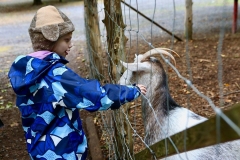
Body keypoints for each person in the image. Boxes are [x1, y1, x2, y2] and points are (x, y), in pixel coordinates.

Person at [8, 5, 146, 160]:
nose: (70, 45)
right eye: (66, 40)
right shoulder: (55, 74)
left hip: (39, 150)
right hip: (62, 152)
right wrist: (130, 91)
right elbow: (93, 95)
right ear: (50, 39)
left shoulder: (27, 73)